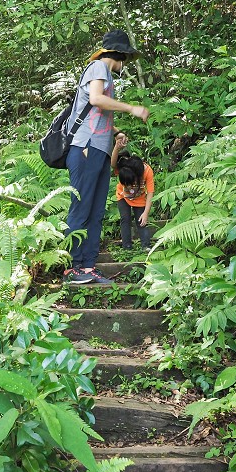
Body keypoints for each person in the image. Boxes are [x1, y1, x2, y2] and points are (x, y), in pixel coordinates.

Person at [63, 29, 150, 284]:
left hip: (99, 150)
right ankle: (73, 267)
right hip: (85, 148)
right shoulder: (99, 68)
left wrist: (117, 131)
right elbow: (96, 99)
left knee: (97, 210)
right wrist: (132, 108)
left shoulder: (105, 74)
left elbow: (93, 113)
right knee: (82, 207)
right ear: (120, 55)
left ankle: (88, 266)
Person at [111, 137, 155, 250]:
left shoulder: (147, 171)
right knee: (125, 219)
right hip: (122, 195)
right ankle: (127, 246)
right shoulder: (124, 167)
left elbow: (150, 193)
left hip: (139, 198)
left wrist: (146, 213)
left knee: (141, 220)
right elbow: (112, 164)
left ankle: (146, 245)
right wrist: (116, 147)